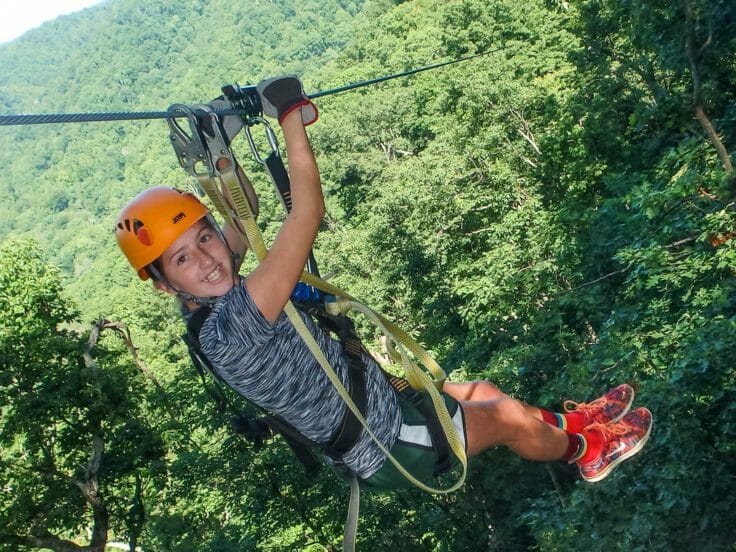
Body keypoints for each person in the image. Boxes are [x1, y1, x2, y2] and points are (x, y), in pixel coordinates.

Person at [115, 76, 652, 489]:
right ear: (165, 285)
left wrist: (222, 157)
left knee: (484, 394)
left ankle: (574, 421)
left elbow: (242, 219)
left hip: (382, 408)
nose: (207, 260)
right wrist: (290, 119)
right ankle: (586, 451)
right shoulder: (234, 325)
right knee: (507, 417)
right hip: (389, 441)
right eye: (182, 260)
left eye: (204, 239)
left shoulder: (209, 297)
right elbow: (306, 214)